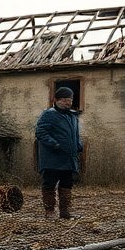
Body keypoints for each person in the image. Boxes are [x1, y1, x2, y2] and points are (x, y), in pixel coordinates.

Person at [35, 86, 84, 220]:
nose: (67, 102)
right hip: (52, 158)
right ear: (55, 100)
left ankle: (65, 212)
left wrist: (79, 145)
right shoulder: (49, 114)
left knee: (67, 184)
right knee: (49, 184)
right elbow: (41, 132)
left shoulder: (73, 116)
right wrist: (54, 144)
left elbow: (76, 134)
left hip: (69, 158)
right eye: (63, 100)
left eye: (69, 99)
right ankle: (50, 211)